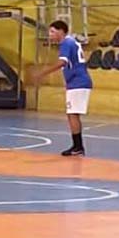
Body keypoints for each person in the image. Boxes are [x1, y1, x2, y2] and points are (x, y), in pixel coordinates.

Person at [33, 20, 93, 156]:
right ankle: (77, 145)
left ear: (61, 31)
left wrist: (42, 73)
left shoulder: (66, 43)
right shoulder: (72, 42)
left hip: (78, 82)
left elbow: (62, 62)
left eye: (53, 31)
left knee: (72, 114)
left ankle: (78, 146)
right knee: (72, 114)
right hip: (77, 82)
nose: (50, 34)